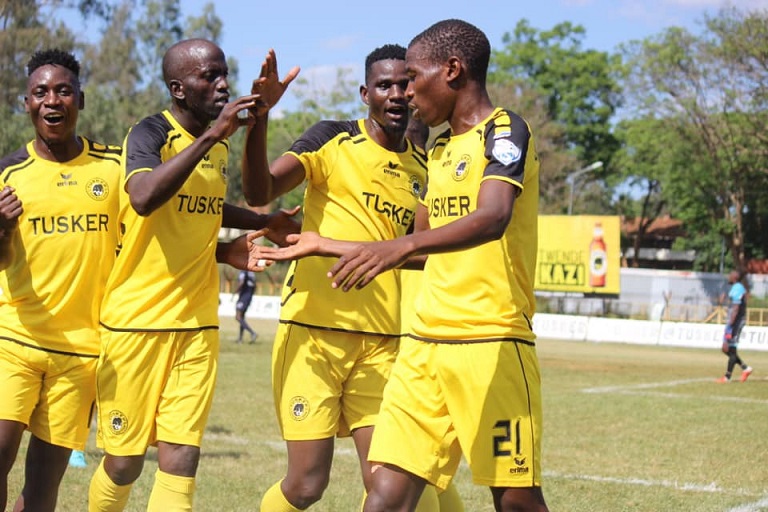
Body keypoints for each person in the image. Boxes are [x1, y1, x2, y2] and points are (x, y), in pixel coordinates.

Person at [254, 19, 550, 512]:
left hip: (491, 342)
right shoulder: (437, 151)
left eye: (413, 76)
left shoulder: (504, 130)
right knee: (385, 498)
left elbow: (492, 217)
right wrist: (322, 244)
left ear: (452, 70)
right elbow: (413, 246)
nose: (408, 92)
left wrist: (395, 248)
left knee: (517, 501)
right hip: (423, 348)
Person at [242, 44, 466, 512]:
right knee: (305, 486)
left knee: (391, 484)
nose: (398, 94)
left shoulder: (423, 170)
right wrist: (261, 116)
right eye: (385, 85)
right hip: (313, 338)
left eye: (405, 83)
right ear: (366, 93)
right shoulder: (331, 139)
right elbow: (259, 190)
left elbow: (422, 254)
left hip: (382, 344)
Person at [87, 39, 299, 511]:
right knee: (124, 463)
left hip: (197, 323)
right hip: (136, 323)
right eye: (210, 76)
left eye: (224, 73)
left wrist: (262, 222)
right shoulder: (148, 134)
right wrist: (212, 136)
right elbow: (144, 196)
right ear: (179, 89)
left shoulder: (217, 149)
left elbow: (202, 205)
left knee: (182, 457)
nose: (223, 83)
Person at [0, 49, 121, 512]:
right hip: (16, 338)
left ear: (81, 100)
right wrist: (1, 228)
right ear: (26, 103)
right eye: (41, 92)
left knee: (44, 486)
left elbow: (155, 229)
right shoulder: (8, 174)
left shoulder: (113, 168)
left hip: (82, 353)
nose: (53, 100)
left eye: (63, 90)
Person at [716, 270, 753, 383]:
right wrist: (722, 301)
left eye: (730, 275)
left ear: (735, 277)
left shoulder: (737, 288)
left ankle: (727, 377)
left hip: (735, 322)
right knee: (725, 348)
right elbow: (733, 305)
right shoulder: (735, 288)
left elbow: (736, 308)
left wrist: (731, 324)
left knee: (731, 348)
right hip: (733, 322)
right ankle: (745, 368)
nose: (728, 276)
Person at [235, 269, 258, 343]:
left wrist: (236, 291)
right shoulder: (252, 273)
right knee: (242, 318)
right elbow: (255, 286)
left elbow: (241, 282)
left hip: (243, 297)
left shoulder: (243, 271)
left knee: (238, 317)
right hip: (249, 297)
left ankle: (252, 333)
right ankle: (240, 339)